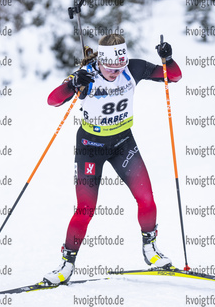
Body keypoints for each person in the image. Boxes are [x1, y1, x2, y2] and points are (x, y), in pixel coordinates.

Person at [43, 33, 182, 285]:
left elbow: (173, 76)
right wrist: (73, 84)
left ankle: (150, 250)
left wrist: (168, 59)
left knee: (147, 198)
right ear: (101, 62)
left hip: (122, 144)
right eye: (110, 68)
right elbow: (52, 100)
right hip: (90, 148)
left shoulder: (133, 68)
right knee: (85, 210)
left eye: (120, 66)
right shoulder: (86, 74)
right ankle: (66, 265)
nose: (116, 72)